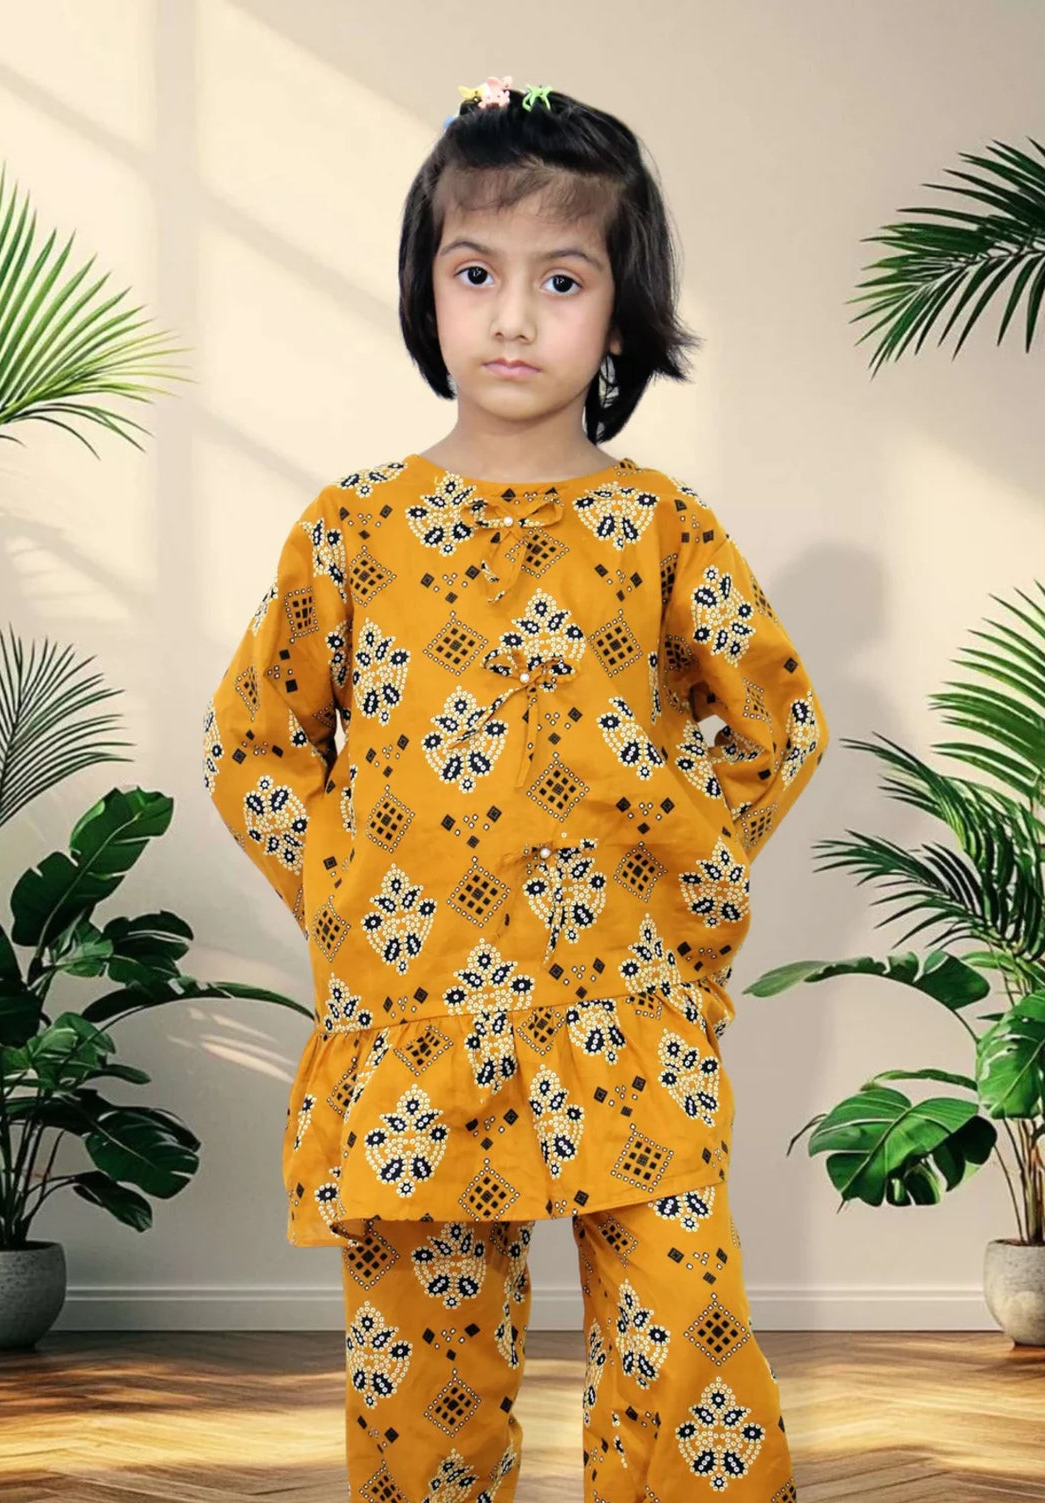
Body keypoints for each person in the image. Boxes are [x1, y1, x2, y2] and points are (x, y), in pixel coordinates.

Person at [202, 72, 825, 1503]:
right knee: (420, 1387)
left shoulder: (660, 526)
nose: (513, 317)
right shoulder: (352, 527)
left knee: (685, 1348)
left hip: (628, 1015)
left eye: (562, 279)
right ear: (426, 291)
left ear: (621, 311)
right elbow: (255, 744)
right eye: (475, 272)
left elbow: (775, 722)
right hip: (417, 1021)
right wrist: (349, 892)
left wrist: (681, 869)